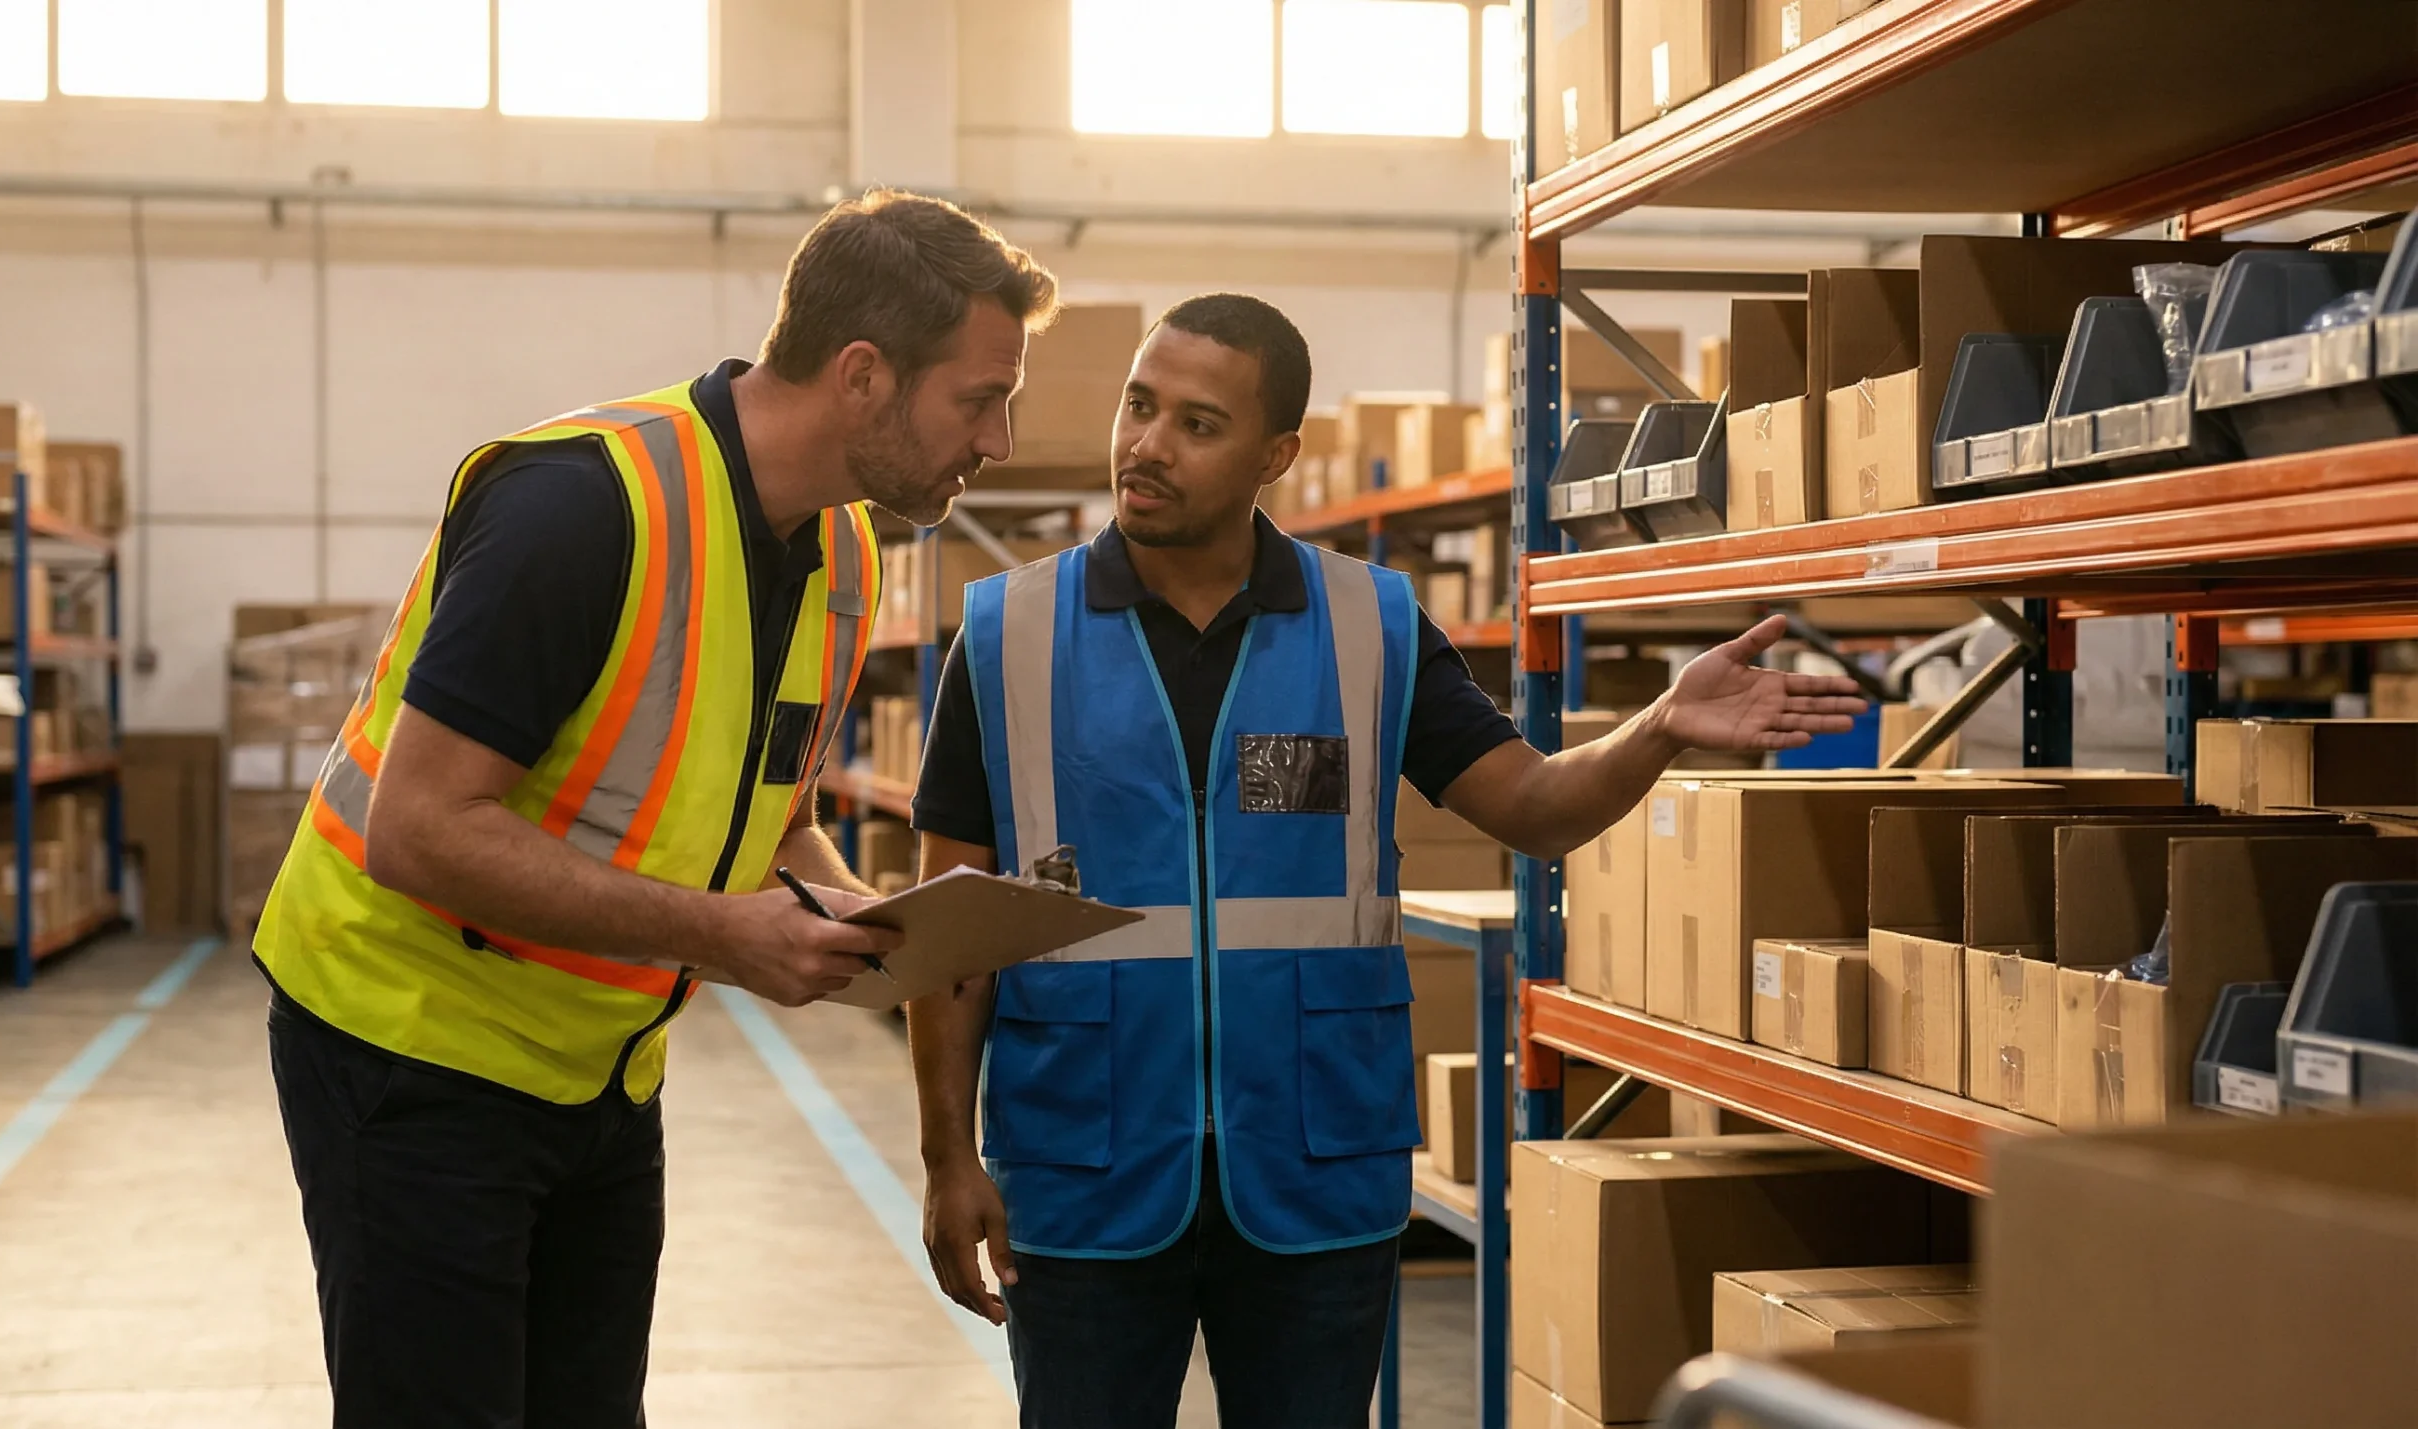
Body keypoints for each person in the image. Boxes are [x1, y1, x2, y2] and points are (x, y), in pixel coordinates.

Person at [905, 293, 1864, 1428]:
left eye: (1197, 424)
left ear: (1275, 456)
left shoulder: (1369, 624)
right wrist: (945, 1156)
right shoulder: (1010, 631)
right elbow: (947, 936)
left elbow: (1535, 807)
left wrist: (1654, 726)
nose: (1147, 445)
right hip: (1085, 1167)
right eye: (1139, 405)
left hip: (1312, 1173)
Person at [255, 189, 1058, 1429]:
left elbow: (768, 811)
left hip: (604, 1067)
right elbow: (416, 827)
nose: (998, 439)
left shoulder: (843, 555)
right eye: (978, 398)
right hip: (408, 1045)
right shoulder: (577, 509)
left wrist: (862, 915)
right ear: (861, 375)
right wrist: (719, 934)